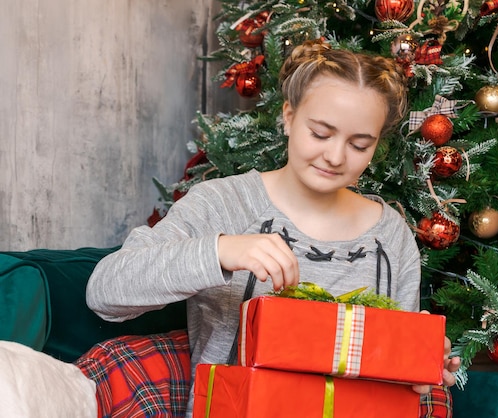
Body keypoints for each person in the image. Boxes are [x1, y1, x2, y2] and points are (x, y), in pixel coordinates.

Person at [86, 40, 461, 416]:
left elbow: (393, 383)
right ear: (289, 116)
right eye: (320, 133)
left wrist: (417, 367)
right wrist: (221, 251)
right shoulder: (225, 204)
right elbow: (105, 293)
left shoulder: (391, 236)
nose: (334, 156)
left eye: (359, 145)